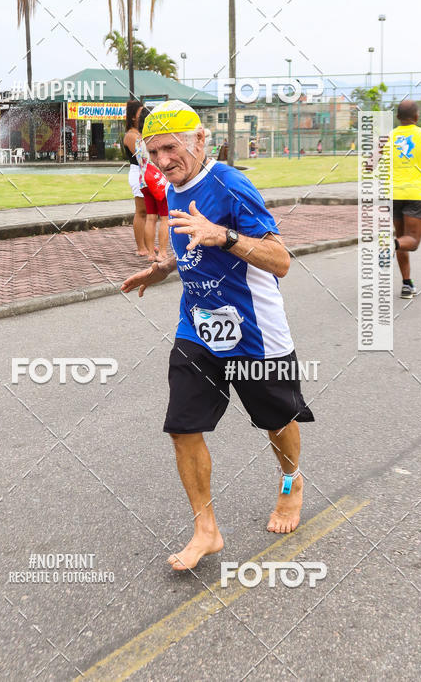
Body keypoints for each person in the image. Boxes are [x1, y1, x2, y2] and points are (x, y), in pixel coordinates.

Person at [122, 100, 314, 572]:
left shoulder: (231, 184)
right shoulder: (169, 187)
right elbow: (192, 249)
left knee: (276, 421)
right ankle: (205, 529)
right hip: (198, 328)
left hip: (255, 332)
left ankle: (291, 481)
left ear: (199, 141)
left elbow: (281, 260)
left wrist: (223, 235)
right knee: (182, 425)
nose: (163, 161)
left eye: (170, 148)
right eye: (153, 152)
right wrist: (163, 268)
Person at [392, 100, 421, 298]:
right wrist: (420, 173)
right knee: (412, 241)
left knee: (402, 238)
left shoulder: (388, 137)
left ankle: (406, 284)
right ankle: (388, 245)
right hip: (415, 193)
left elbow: (371, 165)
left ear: (397, 117)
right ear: (417, 117)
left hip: (393, 194)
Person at [136, 106, 169, 261]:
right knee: (164, 218)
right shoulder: (156, 138)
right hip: (159, 182)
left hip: (144, 181)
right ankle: (162, 252)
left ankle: (150, 253)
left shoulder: (138, 140)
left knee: (150, 217)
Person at [123, 99, 148, 257]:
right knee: (141, 211)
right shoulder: (132, 135)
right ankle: (141, 247)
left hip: (145, 171)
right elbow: (142, 157)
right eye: (141, 112)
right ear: (133, 116)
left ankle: (148, 244)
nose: (144, 115)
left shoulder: (139, 133)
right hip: (139, 172)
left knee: (149, 211)